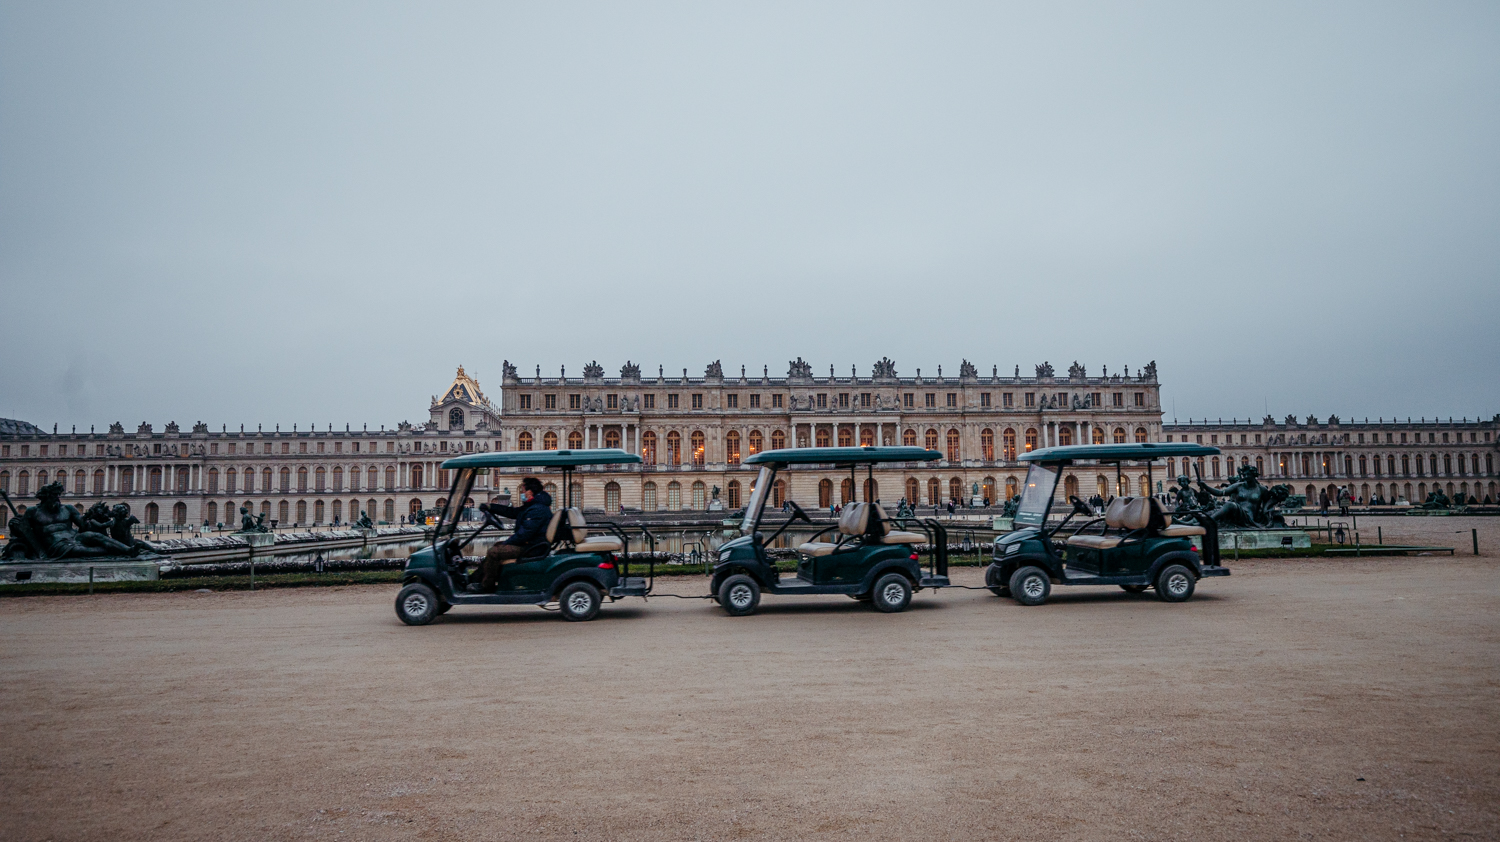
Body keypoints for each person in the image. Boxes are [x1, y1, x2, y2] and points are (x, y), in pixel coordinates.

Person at [468, 477, 553, 593]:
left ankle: (486, 586)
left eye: (523, 491)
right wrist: (491, 507)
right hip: (532, 544)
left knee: (494, 552)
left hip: (532, 547)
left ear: (529, 492)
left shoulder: (537, 509)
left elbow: (525, 534)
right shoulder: (534, 506)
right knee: (498, 546)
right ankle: (475, 579)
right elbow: (513, 512)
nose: (522, 493)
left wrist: (508, 541)